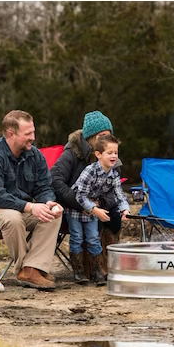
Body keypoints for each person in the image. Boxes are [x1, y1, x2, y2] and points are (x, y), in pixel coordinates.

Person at [0, 110, 64, 290]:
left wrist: (48, 202)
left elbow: (44, 187)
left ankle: (32, 268)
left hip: (17, 209)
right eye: (28, 134)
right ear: (10, 134)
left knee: (51, 215)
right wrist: (31, 207)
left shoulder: (34, 155)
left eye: (33, 132)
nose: (33, 137)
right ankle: (26, 269)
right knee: (12, 218)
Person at [50, 110, 122, 280]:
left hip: (98, 205)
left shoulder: (110, 153)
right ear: (90, 137)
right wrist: (81, 204)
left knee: (115, 215)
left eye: (108, 135)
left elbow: (115, 187)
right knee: (80, 232)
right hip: (72, 206)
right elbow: (54, 180)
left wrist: (98, 204)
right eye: (101, 136)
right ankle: (83, 269)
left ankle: (104, 266)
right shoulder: (72, 153)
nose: (105, 140)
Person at [67, 134, 129, 285]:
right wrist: (94, 209)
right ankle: (79, 272)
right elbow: (79, 196)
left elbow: (119, 194)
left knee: (93, 238)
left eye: (116, 153)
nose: (114, 156)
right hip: (76, 210)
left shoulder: (113, 175)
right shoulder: (90, 171)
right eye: (110, 153)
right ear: (98, 154)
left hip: (93, 209)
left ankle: (96, 271)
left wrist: (125, 209)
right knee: (76, 238)